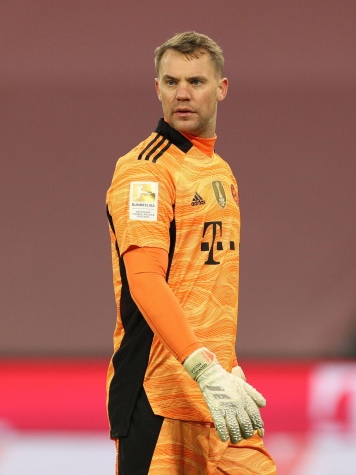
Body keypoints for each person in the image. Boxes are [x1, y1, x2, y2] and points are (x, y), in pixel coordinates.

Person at [105, 31, 276, 474]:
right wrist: (202, 367)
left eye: (196, 81)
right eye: (171, 82)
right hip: (160, 394)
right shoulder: (145, 171)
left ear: (221, 88)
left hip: (221, 394)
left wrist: (226, 367)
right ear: (157, 88)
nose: (182, 93)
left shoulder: (220, 170)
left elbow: (207, 282)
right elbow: (144, 280)